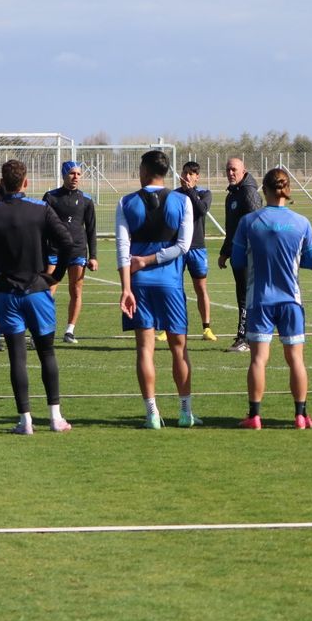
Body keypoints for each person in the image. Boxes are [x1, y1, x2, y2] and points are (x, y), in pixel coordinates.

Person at [0, 159, 76, 434]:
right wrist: (56, 275)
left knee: (17, 357)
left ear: (2, 183)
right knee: (46, 352)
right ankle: (55, 417)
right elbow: (67, 242)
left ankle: (25, 420)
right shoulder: (40, 209)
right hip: (38, 290)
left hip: (7, 293)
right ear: (25, 182)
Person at [116, 150, 200, 429]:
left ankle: (152, 413)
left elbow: (122, 251)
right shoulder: (182, 201)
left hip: (138, 285)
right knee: (179, 348)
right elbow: (182, 247)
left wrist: (126, 287)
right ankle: (185, 412)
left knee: (144, 349)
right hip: (171, 284)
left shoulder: (126, 202)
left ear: (144, 170)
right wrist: (153, 260)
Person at [229, 169, 312, 429]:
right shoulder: (302, 223)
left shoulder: (249, 222)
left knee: (258, 359)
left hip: (260, 300)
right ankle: (301, 415)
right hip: (291, 300)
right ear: (288, 189)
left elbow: (236, 260)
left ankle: (254, 415)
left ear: (264, 191)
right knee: (296, 359)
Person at [42, 160, 99, 344]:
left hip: (77, 251)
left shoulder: (87, 200)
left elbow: (91, 230)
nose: (75, 177)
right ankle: (42, 330)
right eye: (72, 173)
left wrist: (93, 256)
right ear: (64, 175)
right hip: (54, 251)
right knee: (47, 291)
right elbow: (42, 226)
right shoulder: (50, 197)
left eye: (78, 174)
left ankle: (70, 331)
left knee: (76, 290)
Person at [217, 156, 264, 353]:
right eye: (228, 169)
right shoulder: (232, 195)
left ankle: (244, 338)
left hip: (249, 255)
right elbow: (232, 229)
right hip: (238, 254)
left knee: (246, 296)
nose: (230, 173)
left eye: (234, 169)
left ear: (243, 171)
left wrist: (252, 252)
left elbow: (257, 224)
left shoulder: (248, 193)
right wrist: (225, 252)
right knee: (243, 295)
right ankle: (251, 336)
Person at [175, 161, 217, 342]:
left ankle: (206, 328)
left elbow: (201, 210)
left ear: (197, 177)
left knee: (200, 288)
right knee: (175, 289)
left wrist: (191, 190)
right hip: (177, 248)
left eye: (192, 174)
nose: (188, 176)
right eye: (185, 173)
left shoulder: (204, 193)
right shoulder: (174, 195)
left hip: (197, 248)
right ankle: (171, 326)